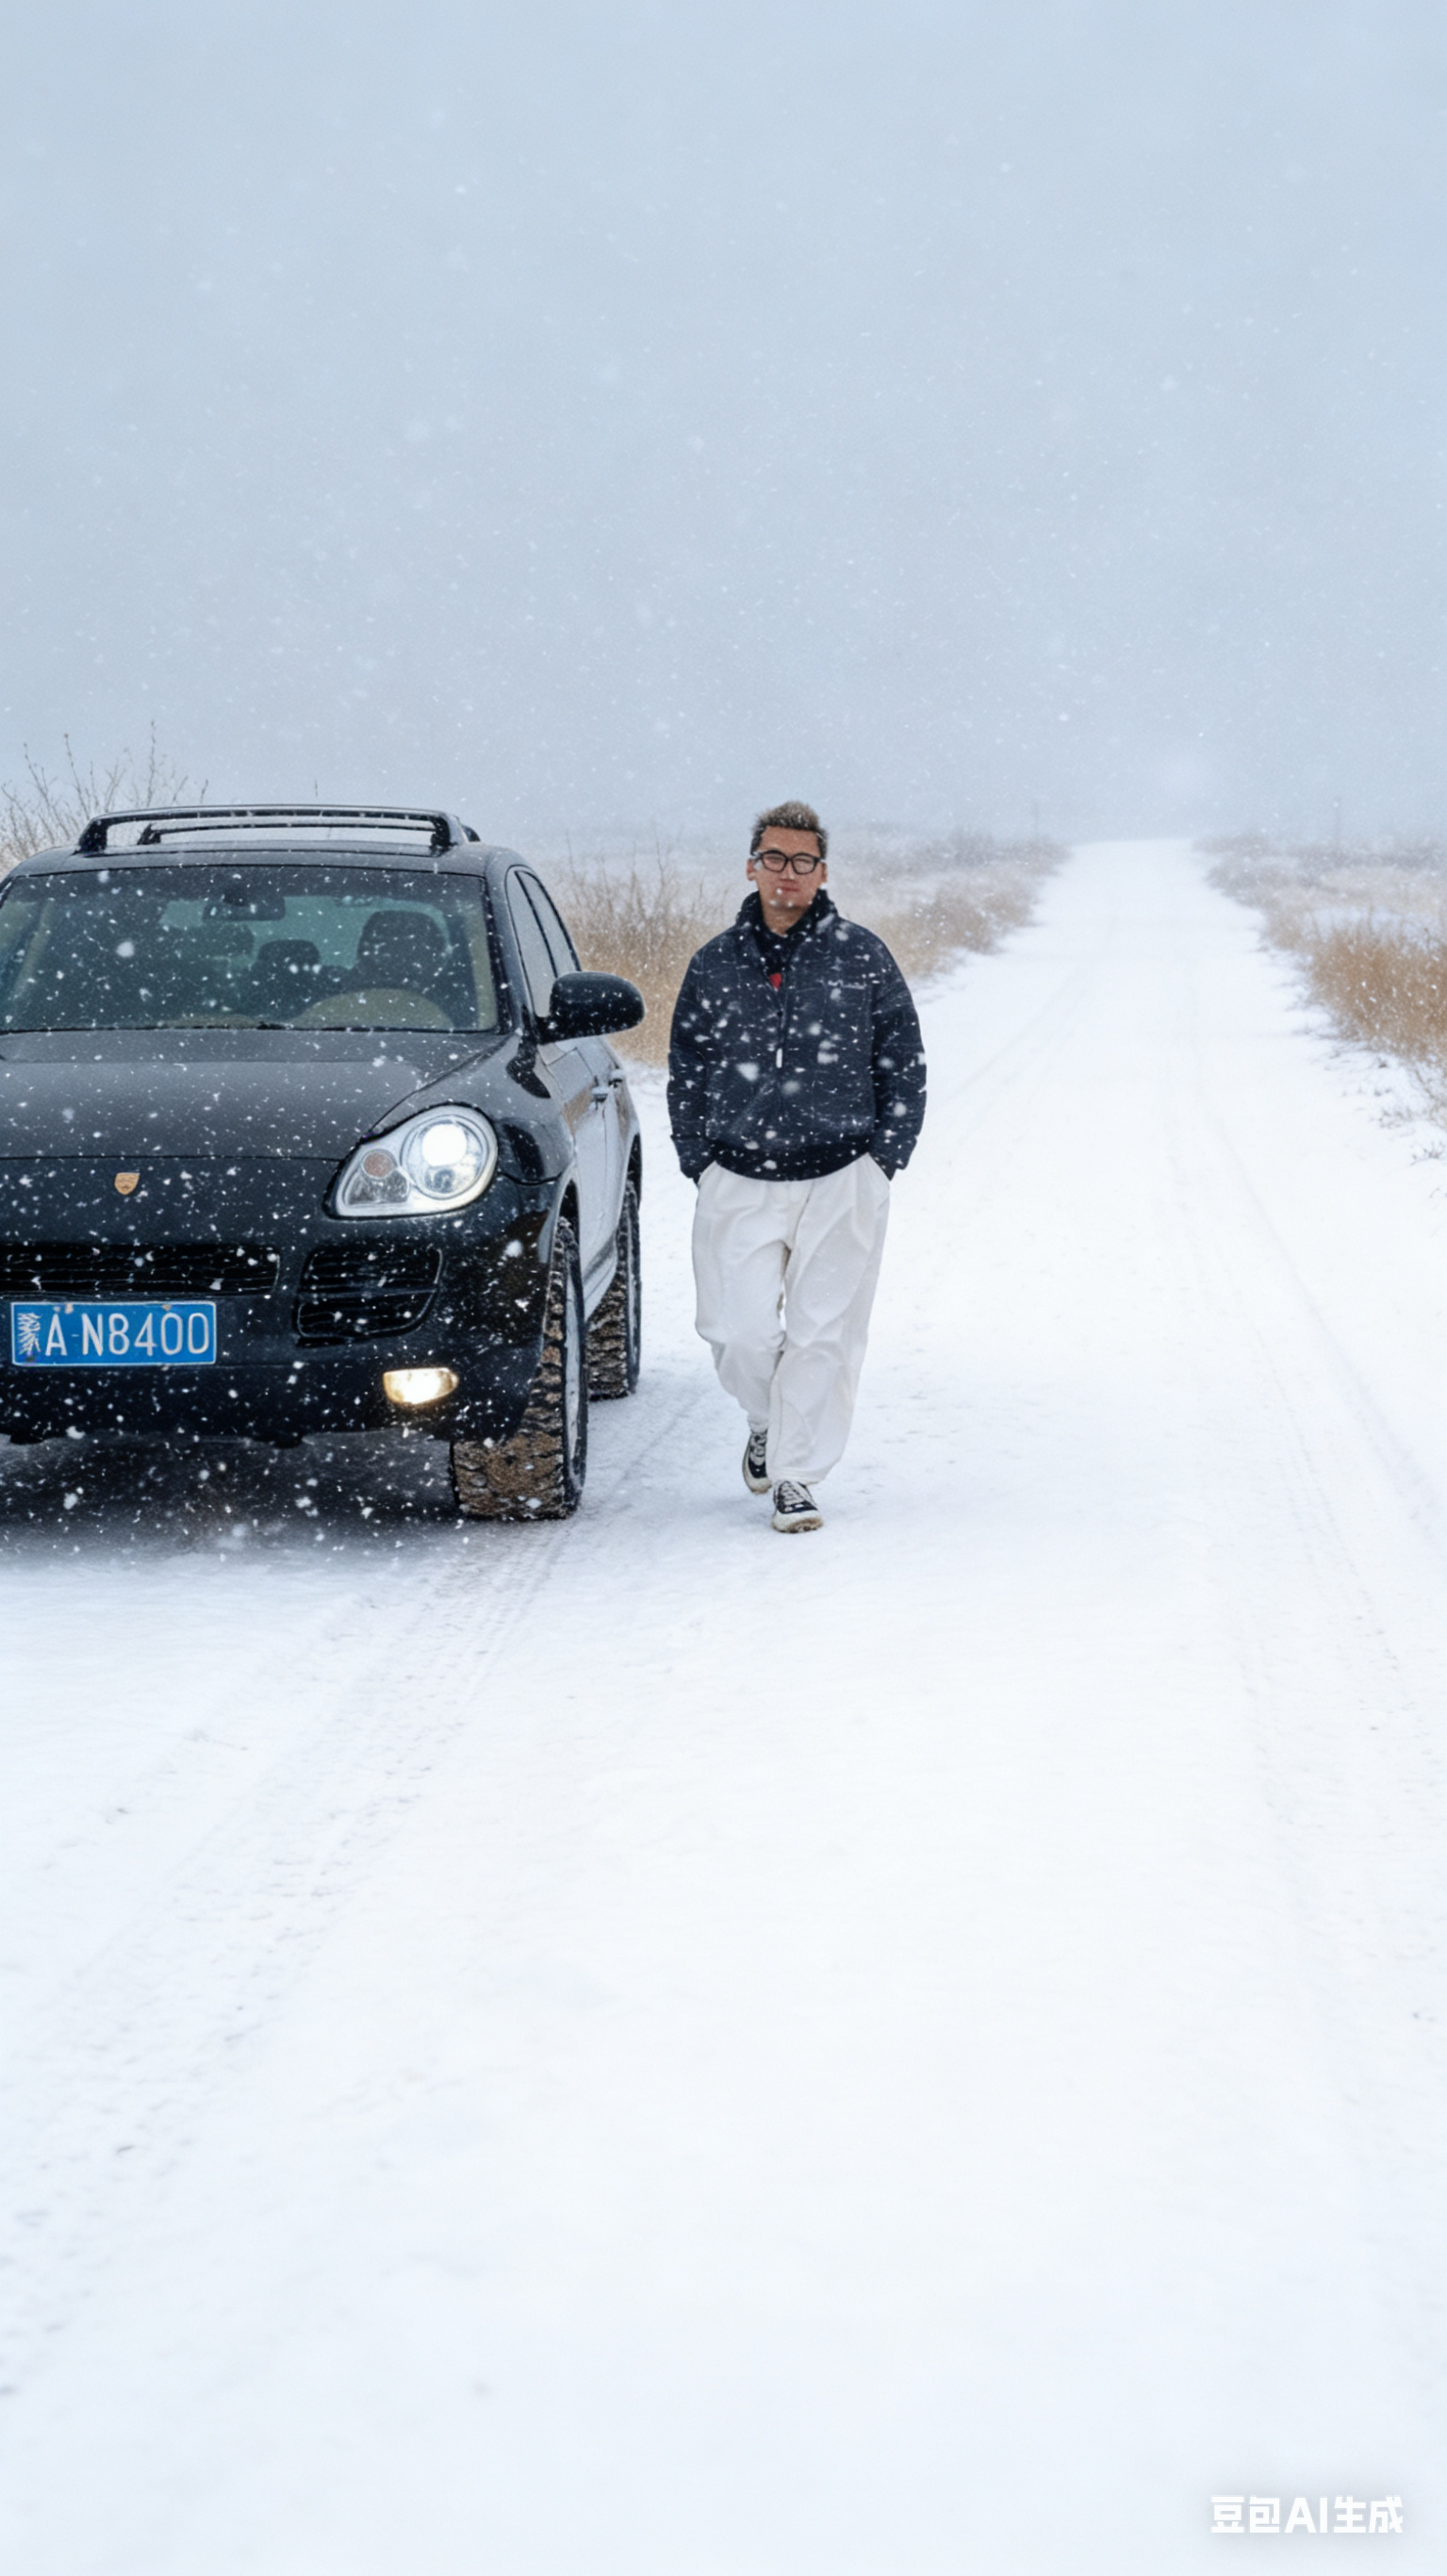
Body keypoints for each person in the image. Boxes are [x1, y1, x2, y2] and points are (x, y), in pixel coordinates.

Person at [667, 800, 926, 1531]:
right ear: (752, 866)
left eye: (802, 862)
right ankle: (764, 1418)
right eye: (775, 859)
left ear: (821, 872)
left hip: (843, 1174)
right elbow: (686, 1064)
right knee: (735, 1332)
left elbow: (900, 1057)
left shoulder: (861, 955)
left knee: (824, 1335)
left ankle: (796, 1477)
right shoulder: (715, 962)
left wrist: (884, 1158)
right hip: (738, 1175)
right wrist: (699, 1159)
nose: (788, 873)